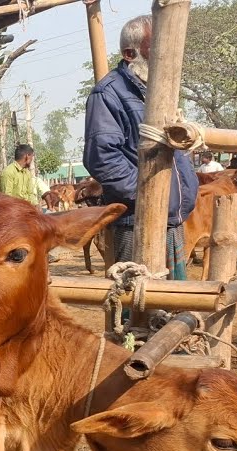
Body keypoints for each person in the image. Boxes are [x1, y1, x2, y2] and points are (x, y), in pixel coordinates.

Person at [83, 14, 197, 279]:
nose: (164, 56)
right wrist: (149, 194)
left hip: (171, 219)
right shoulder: (108, 93)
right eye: (156, 48)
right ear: (130, 53)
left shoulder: (159, 93)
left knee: (175, 304)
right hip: (138, 222)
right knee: (137, 306)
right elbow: (101, 157)